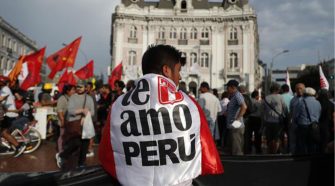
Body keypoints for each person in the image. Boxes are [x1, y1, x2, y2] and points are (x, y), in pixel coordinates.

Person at [99, 44, 223, 186]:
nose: (180, 76)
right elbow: (205, 152)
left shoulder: (118, 105)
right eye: (178, 70)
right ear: (166, 70)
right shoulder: (189, 105)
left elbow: (106, 155)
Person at [56, 82, 95, 170]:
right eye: (77, 87)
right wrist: (82, 110)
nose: (79, 88)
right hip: (74, 124)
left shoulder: (89, 98)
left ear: (85, 88)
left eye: (81, 87)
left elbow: (92, 112)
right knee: (76, 142)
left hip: (85, 124)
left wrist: (86, 115)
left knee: (85, 144)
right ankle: (62, 155)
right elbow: (70, 111)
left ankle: (81, 163)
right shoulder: (73, 97)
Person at [0, 75, 26, 157]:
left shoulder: (5, 90)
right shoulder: (2, 89)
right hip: (7, 114)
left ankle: (19, 146)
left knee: (4, 133)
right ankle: (13, 146)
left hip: (10, 115)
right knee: (4, 132)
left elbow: (0, 99)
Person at [262, 83, 288, 154]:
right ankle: (277, 151)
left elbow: (263, 111)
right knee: (277, 137)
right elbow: (285, 108)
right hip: (278, 121)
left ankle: (270, 151)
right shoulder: (280, 97)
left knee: (270, 138)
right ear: (278, 89)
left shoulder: (266, 98)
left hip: (268, 121)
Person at [293, 87, 321, 154]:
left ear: (304, 94)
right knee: (312, 144)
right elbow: (319, 114)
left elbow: (295, 115)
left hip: (303, 125)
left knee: (302, 144)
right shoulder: (318, 103)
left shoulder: (300, 102)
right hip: (314, 126)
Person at [225, 79, 247, 155]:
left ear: (232, 87)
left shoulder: (237, 95)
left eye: (227, 87)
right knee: (233, 146)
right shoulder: (233, 96)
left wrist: (237, 119)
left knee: (236, 148)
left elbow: (244, 107)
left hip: (236, 125)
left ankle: (238, 163)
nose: (227, 89)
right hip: (233, 125)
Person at [56, 84, 76, 154]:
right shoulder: (62, 98)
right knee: (62, 136)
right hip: (64, 121)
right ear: (67, 91)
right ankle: (60, 151)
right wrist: (62, 121)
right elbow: (59, 111)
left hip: (71, 121)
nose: (74, 91)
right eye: (73, 90)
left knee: (70, 137)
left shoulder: (73, 98)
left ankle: (68, 150)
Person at [289, 83, 305, 154]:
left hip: (305, 123)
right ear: (295, 90)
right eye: (297, 88)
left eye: (300, 88)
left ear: (304, 89)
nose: (299, 90)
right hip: (295, 124)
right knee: (294, 139)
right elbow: (291, 112)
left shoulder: (306, 99)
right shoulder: (293, 100)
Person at [245, 90, 262, 154]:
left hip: (249, 118)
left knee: (249, 134)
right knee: (257, 134)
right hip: (257, 119)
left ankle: (248, 148)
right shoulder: (257, 102)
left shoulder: (248, 101)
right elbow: (259, 111)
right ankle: (258, 149)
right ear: (256, 96)